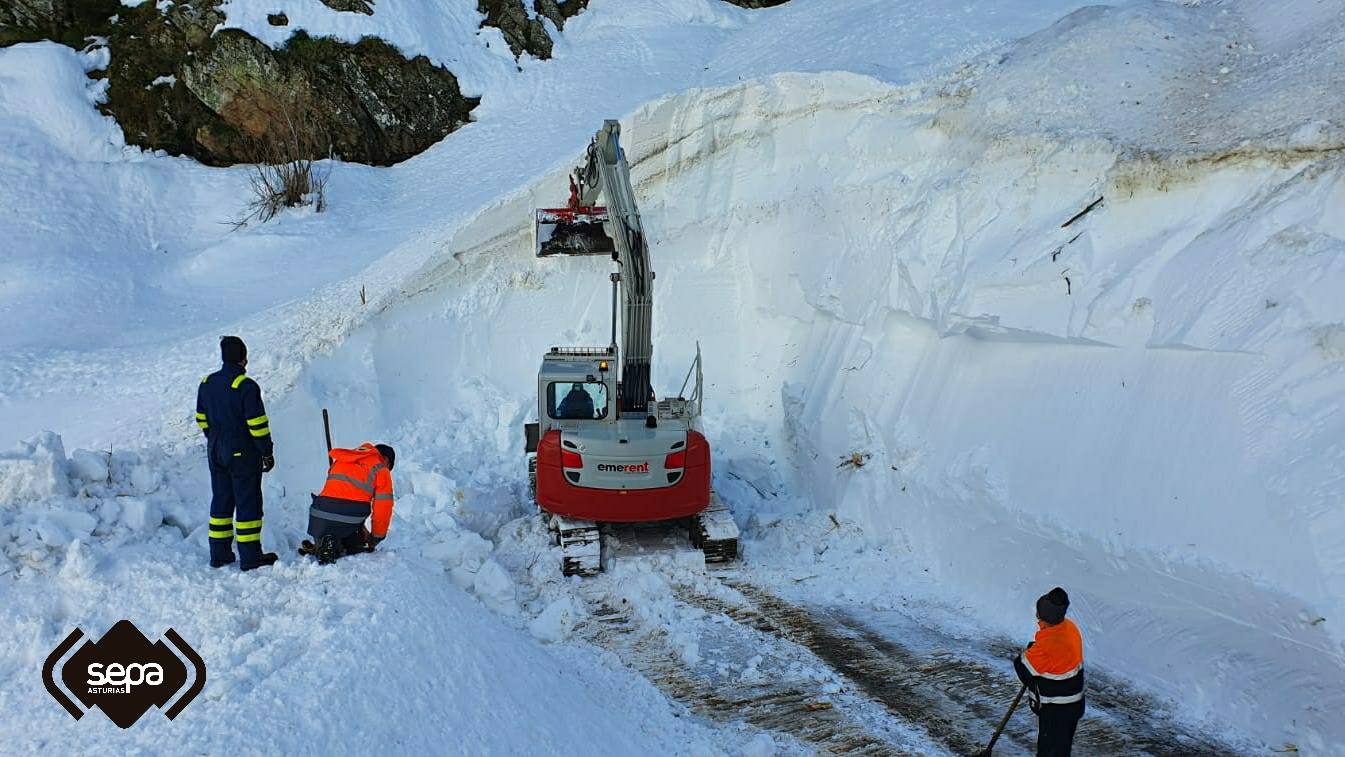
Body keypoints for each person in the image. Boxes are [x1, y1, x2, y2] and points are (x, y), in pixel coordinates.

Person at [195, 336, 278, 571]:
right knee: (247, 502)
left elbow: (201, 418)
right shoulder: (245, 386)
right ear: (244, 359)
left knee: (221, 502)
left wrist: (215, 440)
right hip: (242, 452)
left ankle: (219, 555)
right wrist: (266, 452)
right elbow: (257, 424)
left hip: (215, 451)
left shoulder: (206, 383)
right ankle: (251, 557)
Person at [1013, 587, 1085, 756]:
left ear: (1045, 620)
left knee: (1049, 751)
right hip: (1074, 704)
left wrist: (1031, 652)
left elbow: (1022, 667)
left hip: (1056, 709)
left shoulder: (1047, 646)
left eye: (1039, 616)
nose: (1037, 619)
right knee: (1062, 748)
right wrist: (1037, 648)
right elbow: (1056, 654)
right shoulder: (1069, 628)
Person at [306, 442, 396, 564]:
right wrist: (376, 537)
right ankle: (334, 546)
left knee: (334, 533)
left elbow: (341, 496)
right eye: (389, 467)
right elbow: (383, 508)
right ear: (385, 459)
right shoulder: (380, 468)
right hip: (349, 516)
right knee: (358, 545)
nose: (388, 471)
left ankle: (323, 543)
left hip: (318, 515)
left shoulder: (344, 459)